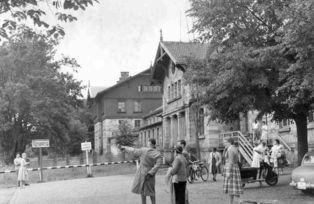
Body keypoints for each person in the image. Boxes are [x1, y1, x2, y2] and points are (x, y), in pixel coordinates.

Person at [119, 138, 162, 204]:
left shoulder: (144, 150)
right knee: (151, 191)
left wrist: (124, 147)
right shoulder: (157, 153)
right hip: (150, 173)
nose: (147, 143)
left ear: (150, 143)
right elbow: (158, 164)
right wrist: (151, 172)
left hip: (142, 172)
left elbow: (133, 150)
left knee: (143, 191)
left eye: (148, 142)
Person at [223, 138, 243, 204]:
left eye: (225, 142)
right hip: (235, 168)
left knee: (233, 187)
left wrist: (228, 171)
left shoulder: (230, 149)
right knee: (233, 187)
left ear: (229, 142)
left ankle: (238, 201)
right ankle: (231, 202)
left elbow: (231, 161)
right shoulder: (234, 148)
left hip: (231, 169)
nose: (224, 143)